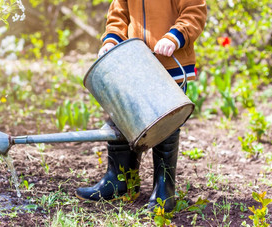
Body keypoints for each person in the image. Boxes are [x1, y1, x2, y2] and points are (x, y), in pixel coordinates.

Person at [76, 0, 207, 212]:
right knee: (122, 117)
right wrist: (112, 40)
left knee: (165, 122)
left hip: (169, 62)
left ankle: (165, 188)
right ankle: (119, 181)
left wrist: (175, 36)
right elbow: (119, 15)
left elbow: (195, 12)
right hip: (133, 61)